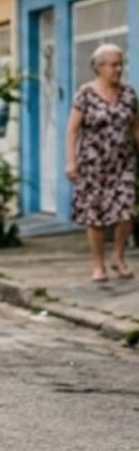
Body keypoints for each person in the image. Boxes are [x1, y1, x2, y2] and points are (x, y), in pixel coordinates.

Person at [65, 43, 139, 282]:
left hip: (123, 162)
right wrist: (71, 161)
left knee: (126, 211)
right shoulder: (85, 93)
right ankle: (98, 265)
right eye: (114, 65)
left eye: (121, 64)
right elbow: (72, 130)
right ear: (99, 67)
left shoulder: (129, 94)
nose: (119, 69)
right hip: (93, 163)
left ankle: (118, 257)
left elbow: (135, 128)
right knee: (94, 215)